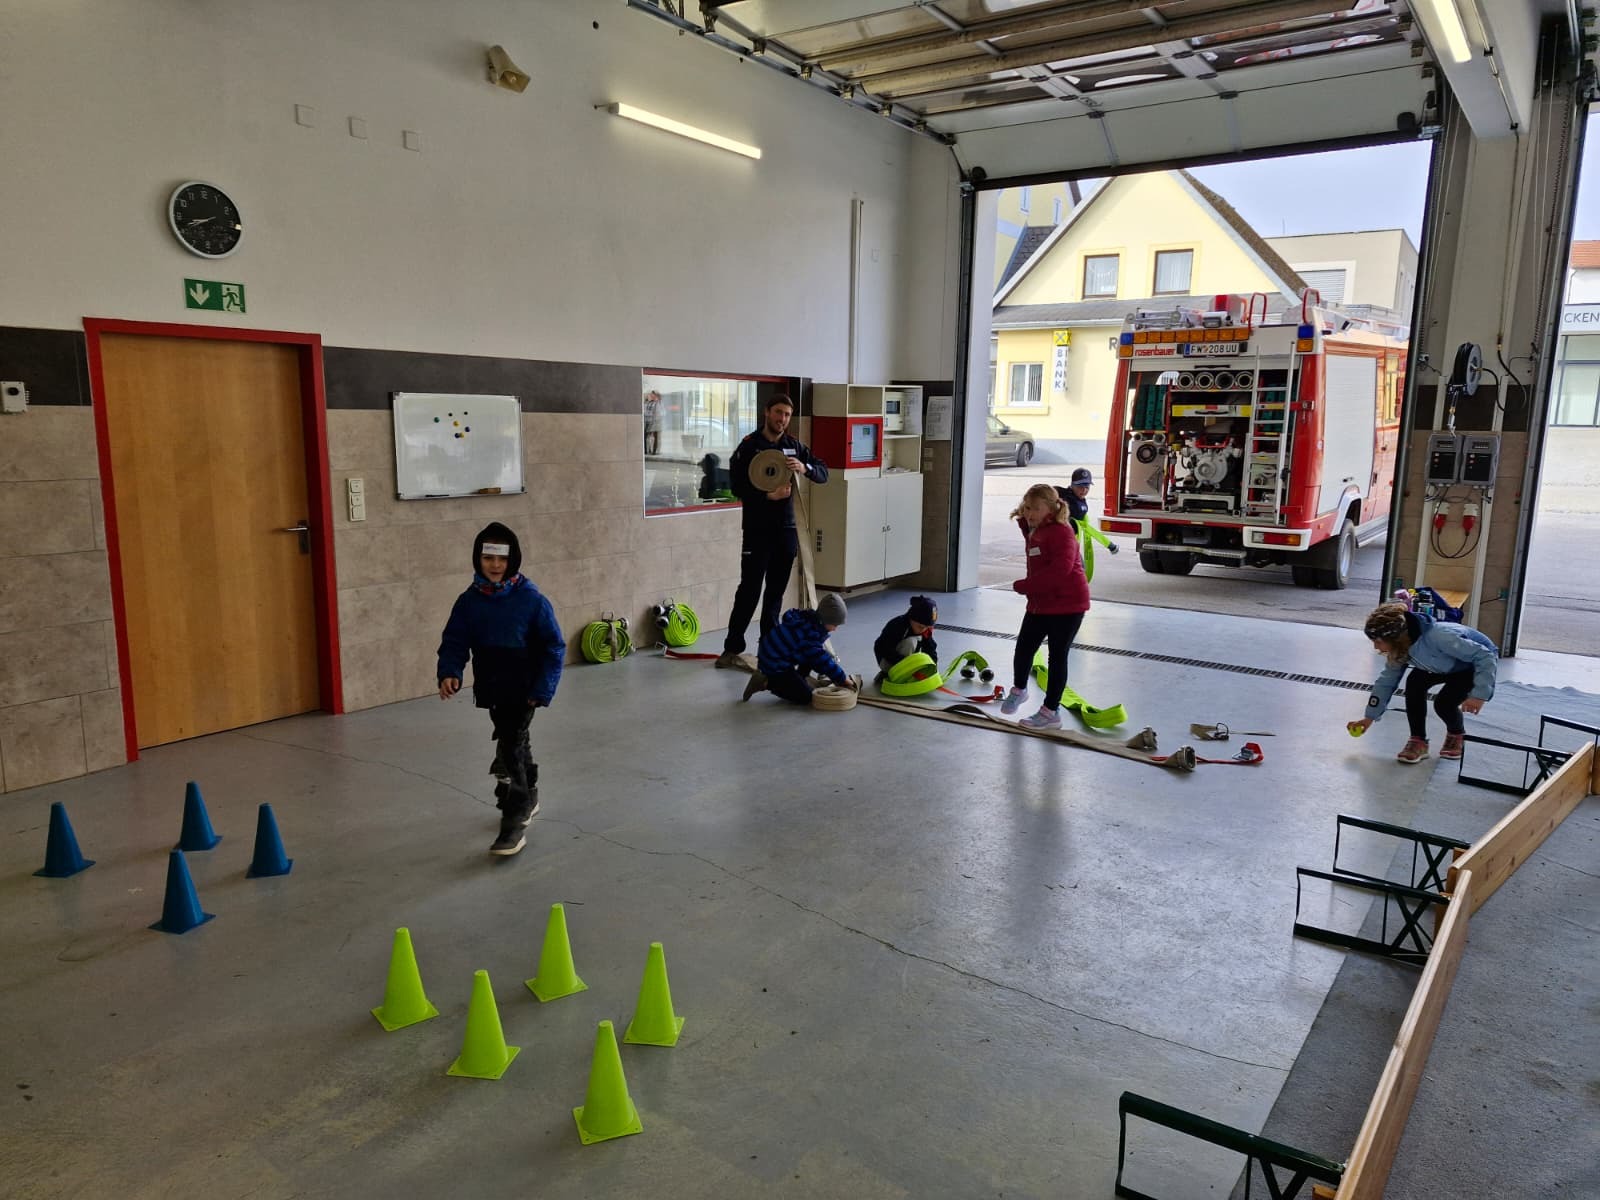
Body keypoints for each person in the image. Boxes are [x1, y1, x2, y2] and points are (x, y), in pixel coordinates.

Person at [437, 522, 566, 857]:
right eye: (488, 557)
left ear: (513, 560)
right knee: (515, 738)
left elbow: (554, 647)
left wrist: (544, 688)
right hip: (492, 686)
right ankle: (530, 792)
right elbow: (454, 641)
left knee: (510, 746)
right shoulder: (469, 602)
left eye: (502, 558)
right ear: (477, 559)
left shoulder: (532, 600)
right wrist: (450, 671)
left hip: (525, 687)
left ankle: (515, 813)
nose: (495, 565)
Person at [718, 394, 829, 667]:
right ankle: (732, 648)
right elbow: (736, 486)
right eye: (778, 412)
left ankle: (768, 650)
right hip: (757, 531)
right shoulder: (749, 446)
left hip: (786, 531)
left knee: (775, 594)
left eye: (787, 415)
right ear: (767, 412)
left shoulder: (793, 446)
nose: (782, 419)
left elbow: (823, 473)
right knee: (749, 590)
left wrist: (805, 467)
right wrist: (767, 496)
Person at [1349, 602, 1498, 764]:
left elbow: (1485, 656)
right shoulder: (1400, 649)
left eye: (1378, 641)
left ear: (1396, 638)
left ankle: (1456, 734)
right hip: (1438, 664)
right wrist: (1369, 717)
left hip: (1470, 665)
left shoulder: (1439, 637)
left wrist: (1479, 695)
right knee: (1414, 683)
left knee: (1444, 704)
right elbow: (1386, 682)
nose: (1375, 646)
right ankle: (1418, 740)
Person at [999, 483, 1091, 729]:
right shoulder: (1035, 529)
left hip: (1068, 604)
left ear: (1050, 509)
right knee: (1024, 647)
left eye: (1035, 509)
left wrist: (1026, 585)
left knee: (1057, 657)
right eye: (1027, 507)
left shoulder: (1062, 533)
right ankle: (1019, 690)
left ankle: (1051, 712)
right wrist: (1024, 520)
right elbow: (1036, 544)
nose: (1030, 513)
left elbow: (1059, 572)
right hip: (1041, 603)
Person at [743, 593, 857, 705]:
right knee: (807, 697)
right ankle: (765, 682)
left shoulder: (808, 620)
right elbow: (823, 661)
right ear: (825, 620)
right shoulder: (809, 636)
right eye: (835, 625)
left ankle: (798, 679)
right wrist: (842, 679)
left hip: (775, 655)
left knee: (810, 656)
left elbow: (815, 656)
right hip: (774, 666)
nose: (835, 629)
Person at [1056, 468, 1118, 579]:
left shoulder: (1079, 500)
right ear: (1072, 485)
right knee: (1077, 574)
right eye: (1080, 486)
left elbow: (1086, 527)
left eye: (1087, 487)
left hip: (1070, 544)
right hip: (1062, 545)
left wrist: (1109, 545)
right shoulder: (1064, 499)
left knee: (1077, 573)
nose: (1084, 490)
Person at [873, 595, 938, 684]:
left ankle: (904, 672)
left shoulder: (924, 629)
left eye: (927, 627)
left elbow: (930, 649)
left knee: (918, 641)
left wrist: (932, 667)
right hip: (887, 660)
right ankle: (888, 673)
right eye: (920, 627)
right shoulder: (897, 626)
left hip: (906, 662)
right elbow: (884, 648)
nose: (923, 630)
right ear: (911, 619)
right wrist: (906, 665)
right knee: (911, 642)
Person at [643, 390, 662, 457]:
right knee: (646, 437)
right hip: (647, 421)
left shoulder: (657, 403)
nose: (651, 396)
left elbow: (658, 413)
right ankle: (647, 450)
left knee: (654, 437)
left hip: (654, 422)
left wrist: (654, 420)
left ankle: (654, 451)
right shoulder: (648, 403)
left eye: (652, 395)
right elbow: (645, 411)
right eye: (651, 395)